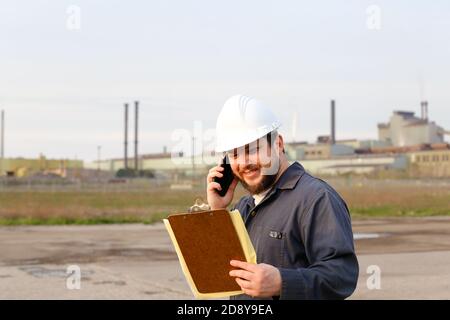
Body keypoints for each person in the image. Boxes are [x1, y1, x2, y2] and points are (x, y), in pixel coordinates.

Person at [206, 94, 359, 300]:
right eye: (234, 155)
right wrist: (217, 212)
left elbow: (342, 276)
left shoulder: (316, 199)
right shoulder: (243, 207)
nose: (243, 163)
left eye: (252, 149)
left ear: (277, 144)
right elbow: (218, 272)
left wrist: (281, 282)